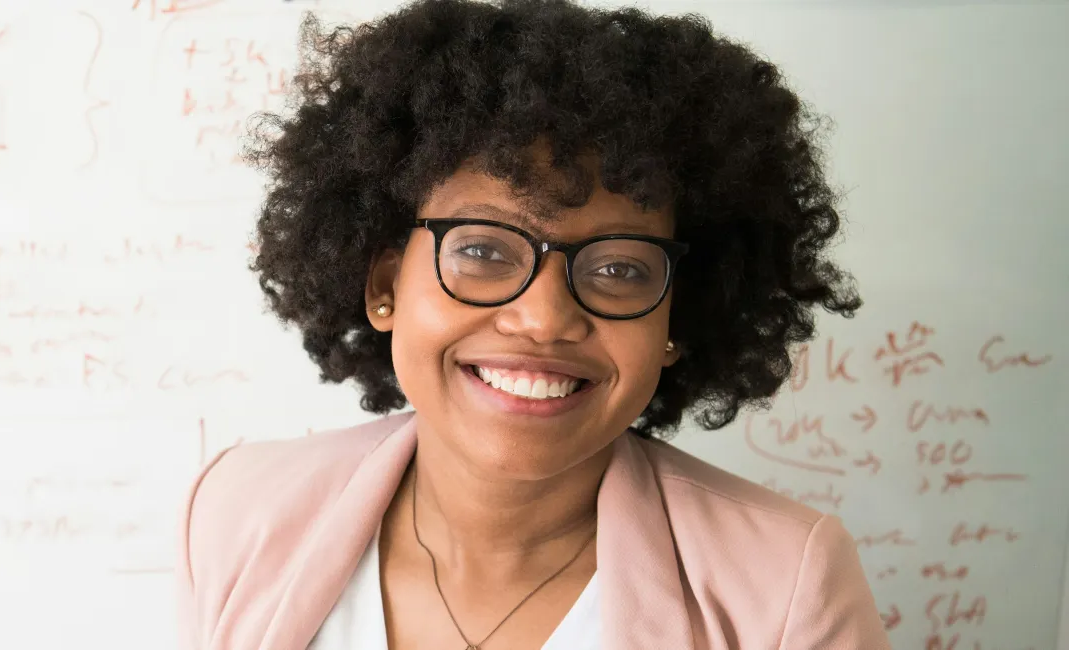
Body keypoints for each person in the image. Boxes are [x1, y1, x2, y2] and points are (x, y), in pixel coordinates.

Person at [174, 0, 888, 648]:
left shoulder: (787, 585)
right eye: (483, 250)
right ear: (386, 284)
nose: (545, 318)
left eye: (619, 269)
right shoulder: (237, 510)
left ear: (680, 312)